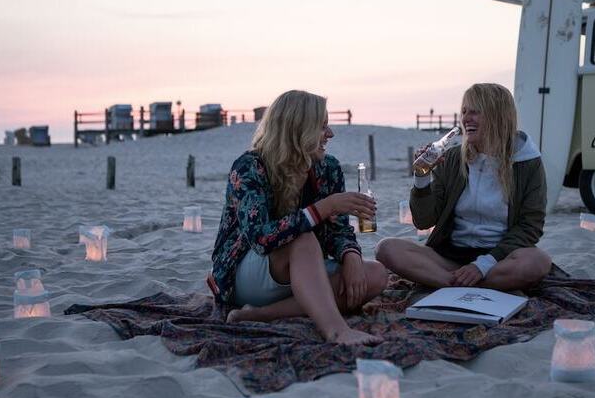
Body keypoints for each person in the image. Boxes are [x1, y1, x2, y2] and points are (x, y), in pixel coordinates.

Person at [208, 90, 387, 345]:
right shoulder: (250, 167)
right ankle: (337, 330)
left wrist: (351, 257)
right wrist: (323, 208)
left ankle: (261, 315)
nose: (330, 134)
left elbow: (339, 231)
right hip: (249, 275)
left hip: (303, 272)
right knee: (302, 240)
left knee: (376, 274)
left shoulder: (328, 168)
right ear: (297, 130)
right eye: (322, 127)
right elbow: (260, 238)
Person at [375, 83, 552, 291]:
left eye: (475, 111)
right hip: (449, 257)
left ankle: (449, 283)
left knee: (537, 261)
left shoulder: (527, 162)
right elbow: (423, 221)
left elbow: (530, 226)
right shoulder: (452, 158)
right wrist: (421, 177)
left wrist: (482, 265)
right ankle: (461, 284)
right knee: (386, 248)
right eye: (464, 111)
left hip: (499, 259)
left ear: (497, 115)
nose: (466, 118)